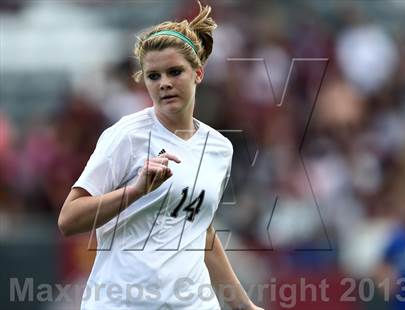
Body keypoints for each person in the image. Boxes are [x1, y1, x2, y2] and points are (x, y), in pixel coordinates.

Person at [58, 2, 264, 310]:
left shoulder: (219, 148)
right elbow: (69, 219)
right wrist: (136, 192)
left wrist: (243, 306)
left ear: (198, 73)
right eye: (153, 76)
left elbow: (200, 230)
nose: (164, 82)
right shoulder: (128, 135)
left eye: (174, 72)